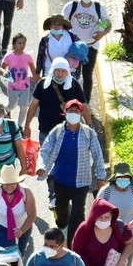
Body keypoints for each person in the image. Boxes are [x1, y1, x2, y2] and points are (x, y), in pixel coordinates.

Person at [37, 99, 106, 231]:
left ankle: (75, 240)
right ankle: (61, 229)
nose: (73, 113)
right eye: (70, 111)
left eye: (76, 111)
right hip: (60, 180)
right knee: (61, 211)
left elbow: (98, 155)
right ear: (65, 112)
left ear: (81, 114)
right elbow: (45, 150)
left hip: (81, 182)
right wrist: (41, 166)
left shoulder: (88, 133)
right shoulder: (57, 131)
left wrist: (100, 177)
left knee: (78, 214)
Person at [62, 0, 111, 102]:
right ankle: (69, 100)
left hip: (91, 47)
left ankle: (86, 103)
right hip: (73, 48)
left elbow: (108, 24)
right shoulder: (71, 6)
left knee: (87, 75)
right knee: (71, 74)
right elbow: (62, 22)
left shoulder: (99, 8)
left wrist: (102, 33)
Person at [24, 57, 89, 143]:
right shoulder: (43, 84)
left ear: (67, 72)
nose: (60, 74)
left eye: (63, 71)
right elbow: (33, 105)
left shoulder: (74, 85)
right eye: (57, 70)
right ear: (52, 70)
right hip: (46, 131)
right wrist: (27, 126)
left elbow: (84, 106)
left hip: (68, 131)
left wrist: (89, 127)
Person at [0, 164, 37, 258]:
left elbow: (32, 215)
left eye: (13, 183)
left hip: (24, 226)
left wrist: (22, 230)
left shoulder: (26, 192)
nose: (9, 186)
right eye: (6, 183)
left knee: (20, 255)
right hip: (2, 227)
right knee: (6, 256)